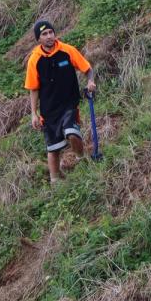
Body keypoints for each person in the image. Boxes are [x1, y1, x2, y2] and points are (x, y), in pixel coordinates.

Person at [24, 20, 97, 183]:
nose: (49, 36)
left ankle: (81, 159)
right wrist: (34, 114)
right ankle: (55, 180)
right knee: (53, 148)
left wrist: (90, 81)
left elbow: (87, 68)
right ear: (38, 38)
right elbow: (33, 89)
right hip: (48, 110)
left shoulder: (67, 50)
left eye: (51, 32)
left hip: (69, 104)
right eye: (44, 34)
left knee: (71, 133)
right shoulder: (34, 60)